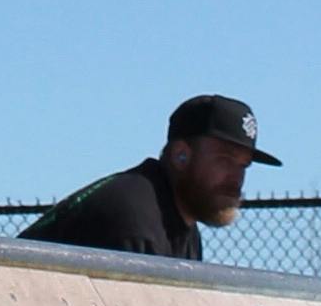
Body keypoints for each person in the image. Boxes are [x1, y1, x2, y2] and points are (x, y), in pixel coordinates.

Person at [18, 94, 279, 261]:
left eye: (244, 166)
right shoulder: (135, 218)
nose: (237, 178)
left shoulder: (180, 226)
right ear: (181, 156)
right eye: (225, 160)